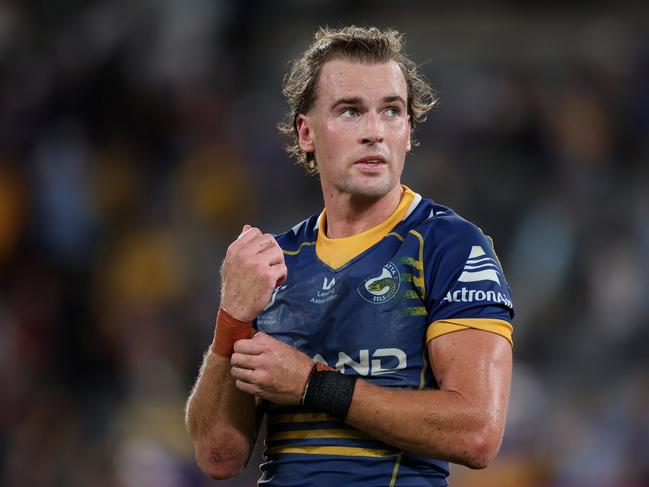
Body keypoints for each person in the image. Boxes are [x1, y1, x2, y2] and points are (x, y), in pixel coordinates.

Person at [185, 26, 514, 487]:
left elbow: (477, 432)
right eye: (350, 112)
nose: (374, 132)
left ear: (408, 132)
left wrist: (312, 384)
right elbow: (219, 455)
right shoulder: (275, 263)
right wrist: (232, 317)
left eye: (392, 112)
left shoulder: (449, 246)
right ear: (306, 132)